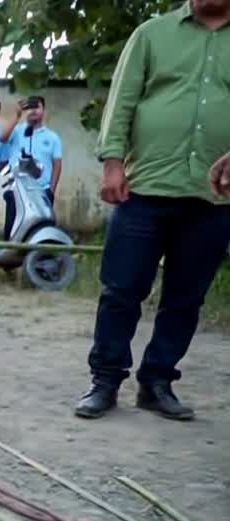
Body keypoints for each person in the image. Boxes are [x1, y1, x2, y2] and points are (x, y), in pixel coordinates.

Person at [75, 0, 230, 421]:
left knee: (185, 298)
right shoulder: (151, 34)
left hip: (214, 196)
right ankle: (104, 381)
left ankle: (157, 382)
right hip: (144, 188)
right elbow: (122, 100)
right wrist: (112, 162)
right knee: (121, 290)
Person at [0, 95, 63, 238]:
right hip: (17, 190)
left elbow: (57, 165)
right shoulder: (16, 131)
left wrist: (51, 191)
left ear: (43, 110)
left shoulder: (52, 137)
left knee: (40, 229)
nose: (33, 111)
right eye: (29, 107)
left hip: (41, 191)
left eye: (37, 106)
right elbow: (2, 138)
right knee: (12, 230)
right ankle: (10, 256)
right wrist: (16, 116)